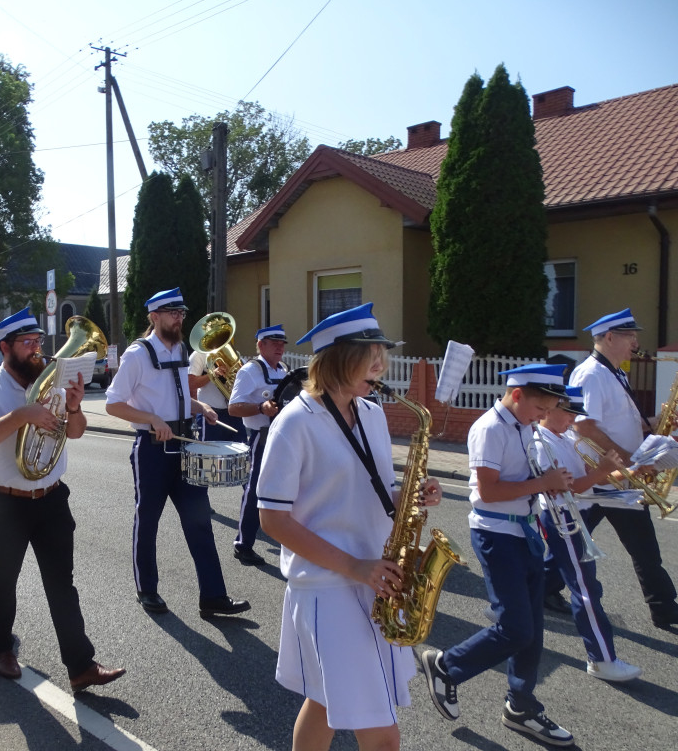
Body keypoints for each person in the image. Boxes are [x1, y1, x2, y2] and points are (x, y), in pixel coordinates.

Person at [256, 304, 442, 751]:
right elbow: (272, 519)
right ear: (336, 359)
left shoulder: (372, 414)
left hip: (373, 578)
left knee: (323, 705)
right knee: (382, 734)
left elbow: (373, 489)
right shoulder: (294, 423)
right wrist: (355, 566)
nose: (381, 366)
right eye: (370, 356)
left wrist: (409, 496)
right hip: (328, 586)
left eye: (382, 354)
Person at [0, 308, 125, 692]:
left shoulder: (52, 382)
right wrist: (23, 415)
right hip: (5, 503)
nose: (37, 350)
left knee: (62, 583)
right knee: (5, 579)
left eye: (38, 342)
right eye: (27, 343)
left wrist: (72, 406)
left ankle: (81, 666)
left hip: (51, 497)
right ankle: (2, 649)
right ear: (5, 347)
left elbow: (77, 432)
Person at [420, 363, 575, 748]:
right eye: (541, 408)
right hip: (496, 534)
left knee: (533, 628)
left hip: (523, 531)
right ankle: (446, 666)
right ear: (517, 394)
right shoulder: (489, 428)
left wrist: (546, 483)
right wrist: (543, 483)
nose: (544, 416)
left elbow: (521, 482)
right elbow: (488, 492)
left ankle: (521, 705)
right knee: (516, 627)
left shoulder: (524, 426)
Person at [105, 287, 251, 618]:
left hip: (186, 445)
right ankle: (147, 589)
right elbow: (113, 404)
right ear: (154, 317)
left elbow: (177, 392)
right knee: (148, 521)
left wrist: (199, 407)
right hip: (153, 450)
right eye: (172, 312)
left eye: (181, 312)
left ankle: (213, 596)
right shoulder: (136, 354)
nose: (179, 318)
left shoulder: (182, 348)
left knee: (200, 522)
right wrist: (150, 419)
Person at [568, 308, 678, 630]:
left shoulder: (616, 372)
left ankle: (663, 608)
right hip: (606, 478)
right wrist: (630, 461)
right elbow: (584, 427)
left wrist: (657, 424)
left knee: (638, 546)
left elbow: (616, 422)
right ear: (610, 338)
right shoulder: (591, 374)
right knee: (579, 543)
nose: (636, 342)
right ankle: (664, 609)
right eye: (630, 336)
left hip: (617, 479)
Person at [532, 386, 642, 682]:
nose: (572, 421)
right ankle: (602, 659)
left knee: (568, 580)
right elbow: (569, 486)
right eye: (568, 414)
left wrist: (636, 469)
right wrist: (604, 469)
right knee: (585, 589)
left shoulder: (566, 438)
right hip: (560, 516)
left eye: (575, 416)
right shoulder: (541, 443)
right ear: (551, 408)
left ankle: (508, 612)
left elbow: (591, 480)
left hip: (575, 513)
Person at [226, 324, 289, 565]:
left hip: (284, 435)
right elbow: (233, 407)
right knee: (256, 489)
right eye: (274, 343)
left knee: (288, 488)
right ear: (260, 345)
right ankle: (243, 544)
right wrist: (260, 408)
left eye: (282, 343)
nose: (280, 348)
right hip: (261, 436)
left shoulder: (284, 369)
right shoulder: (250, 371)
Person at [188, 337, 246, 444]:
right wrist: (212, 375)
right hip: (210, 414)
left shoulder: (234, 354)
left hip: (234, 414)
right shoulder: (200, 355)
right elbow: (190, 383)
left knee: (240, 454)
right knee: (210, 455)